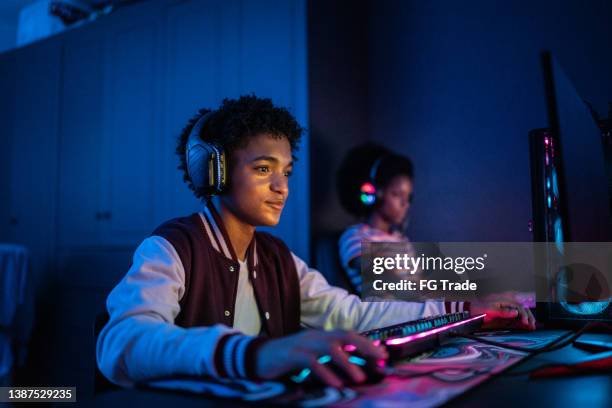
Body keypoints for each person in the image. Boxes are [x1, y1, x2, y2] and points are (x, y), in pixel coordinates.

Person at [96, 96, 535, 391]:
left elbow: (353, 313)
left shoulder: (277, 258)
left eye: (286, 171)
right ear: (213, 171)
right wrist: (250, 354)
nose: (282, 187)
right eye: (264, 169)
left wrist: (462, 310)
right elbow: (121, 343)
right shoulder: (173, 247)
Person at [337, 144, 416, 295]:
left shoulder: (402, 241)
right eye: (397, 194)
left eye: (408, 197)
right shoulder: (355, 236)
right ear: (377, 193)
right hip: (385, 314)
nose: (405, 204)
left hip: (414, 311)